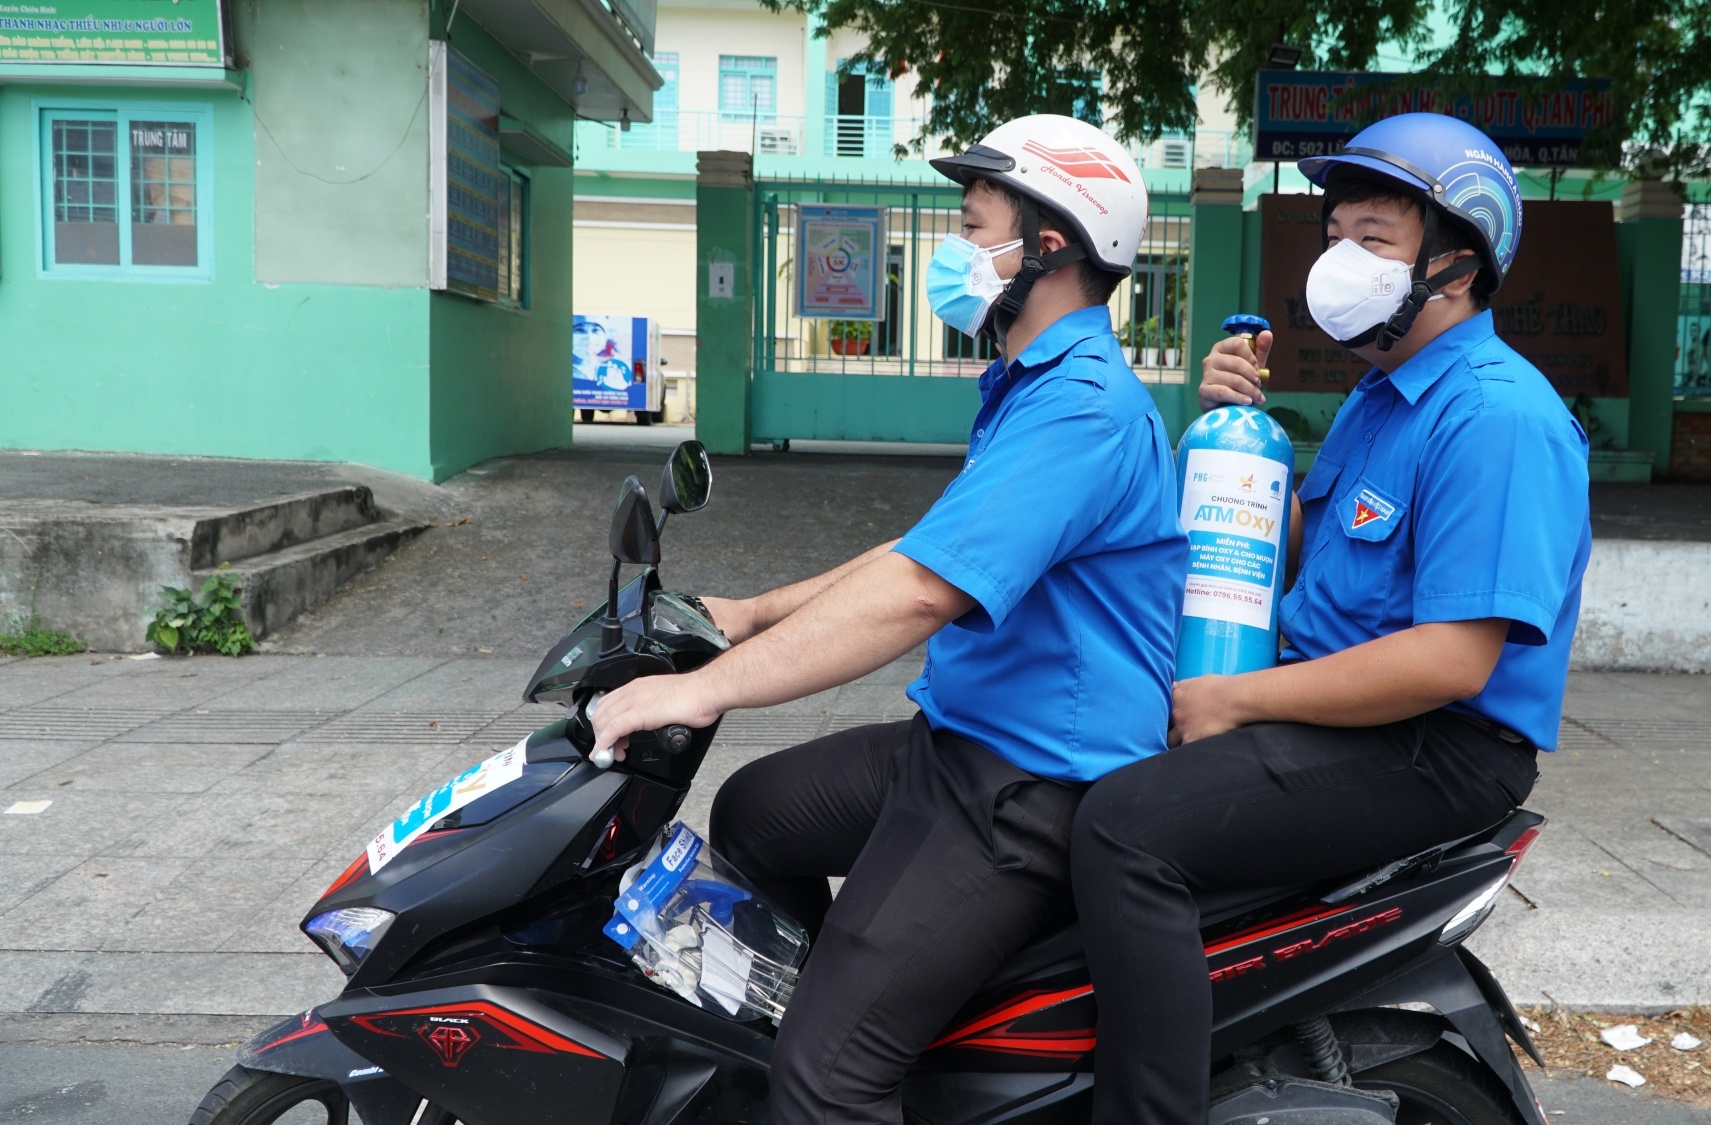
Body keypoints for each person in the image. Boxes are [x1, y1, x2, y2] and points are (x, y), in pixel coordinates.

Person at [586, 114, 1184, 1125]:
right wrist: (742, 614)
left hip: (1025, 789)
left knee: (822, 1083)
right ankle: (851, 1015)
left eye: (971, 219)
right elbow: (922, 551)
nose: (954, 244)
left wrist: (696, 689)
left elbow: (916, 594)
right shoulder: (1033, 389)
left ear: (1046, 246)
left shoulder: (1081, 407)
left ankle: (841, 1069)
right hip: (962, 744)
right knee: (755, 815)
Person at [1068, 112, 1593, 1125]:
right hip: (1341, 713)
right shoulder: (1380, 396)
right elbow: (1313, 554)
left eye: (1373, 239)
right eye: (1335, 233)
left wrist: (1232, 699)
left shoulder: (1497, 416)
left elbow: (1448, 659)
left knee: (1126, 832)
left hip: (1433, 747)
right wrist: (1238, 440)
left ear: (1457, 262)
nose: (1339, 259)